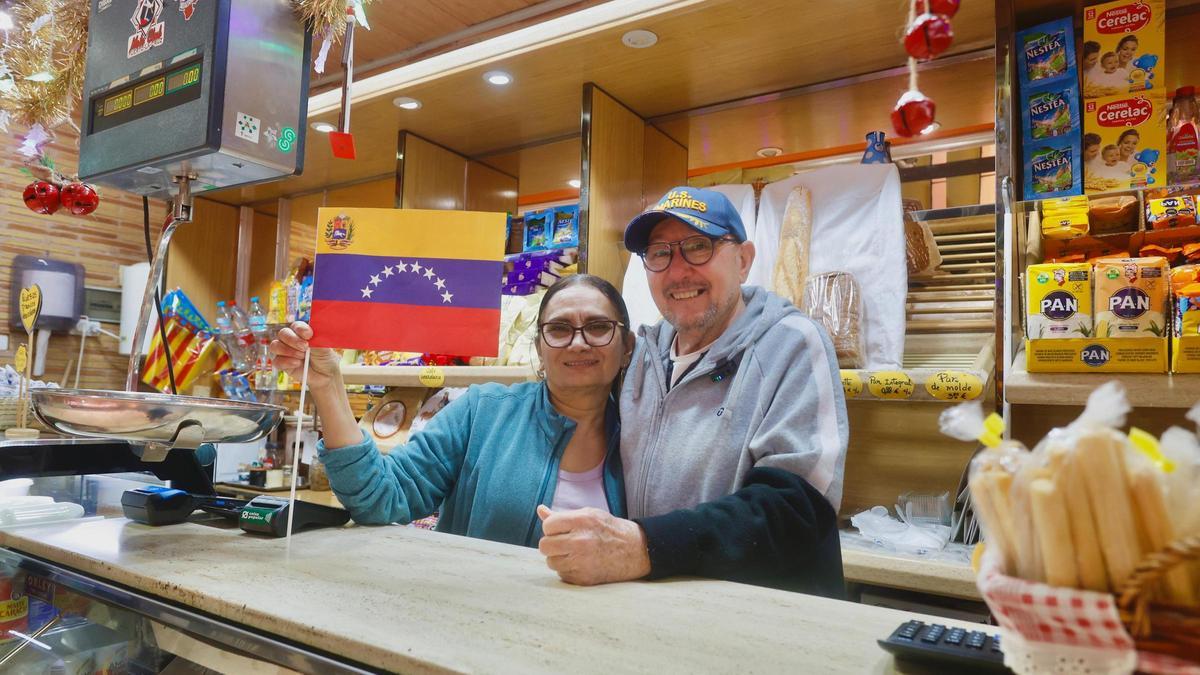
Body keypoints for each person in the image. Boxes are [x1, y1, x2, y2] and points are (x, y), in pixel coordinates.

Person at [536, 187, 848, 597]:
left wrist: (644, 546)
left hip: (766, 617)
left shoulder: (791, 344)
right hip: (664, 606)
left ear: (743, 260)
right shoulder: (640, 355)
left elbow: (796, 508)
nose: (678, 271)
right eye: (660, 253)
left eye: (698, 247)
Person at [269, 274, 634, 547]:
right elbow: (382, 499)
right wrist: (327, 384)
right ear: (539, 347)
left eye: (599, 327)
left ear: (627, 346)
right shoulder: (482, 414)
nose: (578, 343)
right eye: (559, 329)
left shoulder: (646, 435)